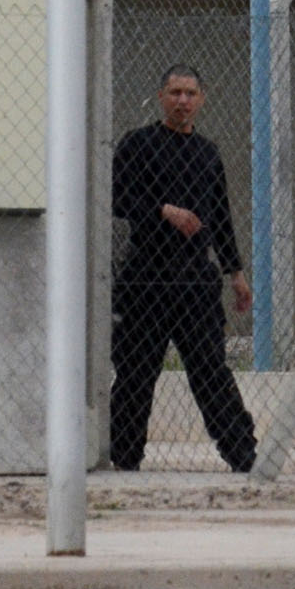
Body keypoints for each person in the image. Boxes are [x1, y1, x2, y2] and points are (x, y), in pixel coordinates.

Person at [109, 65, 258, 472]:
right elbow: (116, 197)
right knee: (136, 371)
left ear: (201, 99)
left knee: (210, 370)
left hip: (195, 279)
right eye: (175, 93)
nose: (182, 101)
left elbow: (221, 217)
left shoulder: (208, 154)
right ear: (161, 97)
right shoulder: (138, 144)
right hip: (146, 276)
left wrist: (235, 273)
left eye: (190, 93)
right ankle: (124, 458)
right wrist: (163, 210)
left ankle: (243, 455)